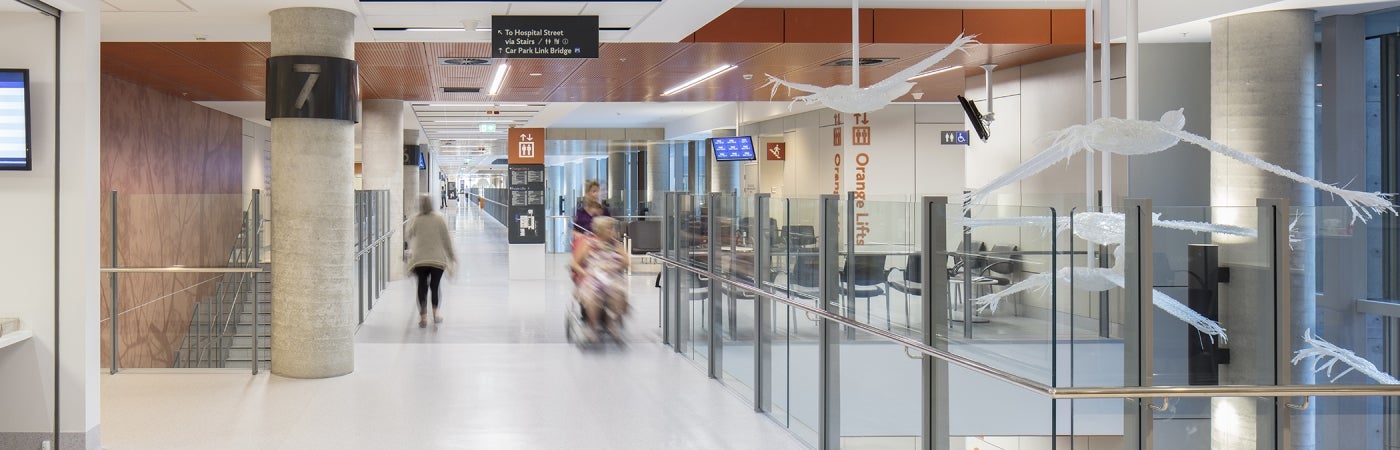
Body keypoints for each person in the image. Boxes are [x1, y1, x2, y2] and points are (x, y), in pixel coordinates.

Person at [571, 216, 629, 338]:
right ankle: (592, 325)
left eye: (612, 228)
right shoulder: (588, 243)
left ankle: (612, 322)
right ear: (600, 230)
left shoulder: (616, 244)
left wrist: (616, 266)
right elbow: (574, 264)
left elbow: (626, 262)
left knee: (619, 293)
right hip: (592, 277)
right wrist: (585, 274)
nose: (612, 231)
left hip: (613, 277)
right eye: (609, 228)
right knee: (593, 296)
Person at [407, 194, 456, 328]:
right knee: (435, 286)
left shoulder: (415, 219)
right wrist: (451, 256)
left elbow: (409, 234)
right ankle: (435, 314)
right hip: (437, 259)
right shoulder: (439, 218)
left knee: (421, 286)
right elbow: (446, 239)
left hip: (419, 260)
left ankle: (423, 316)